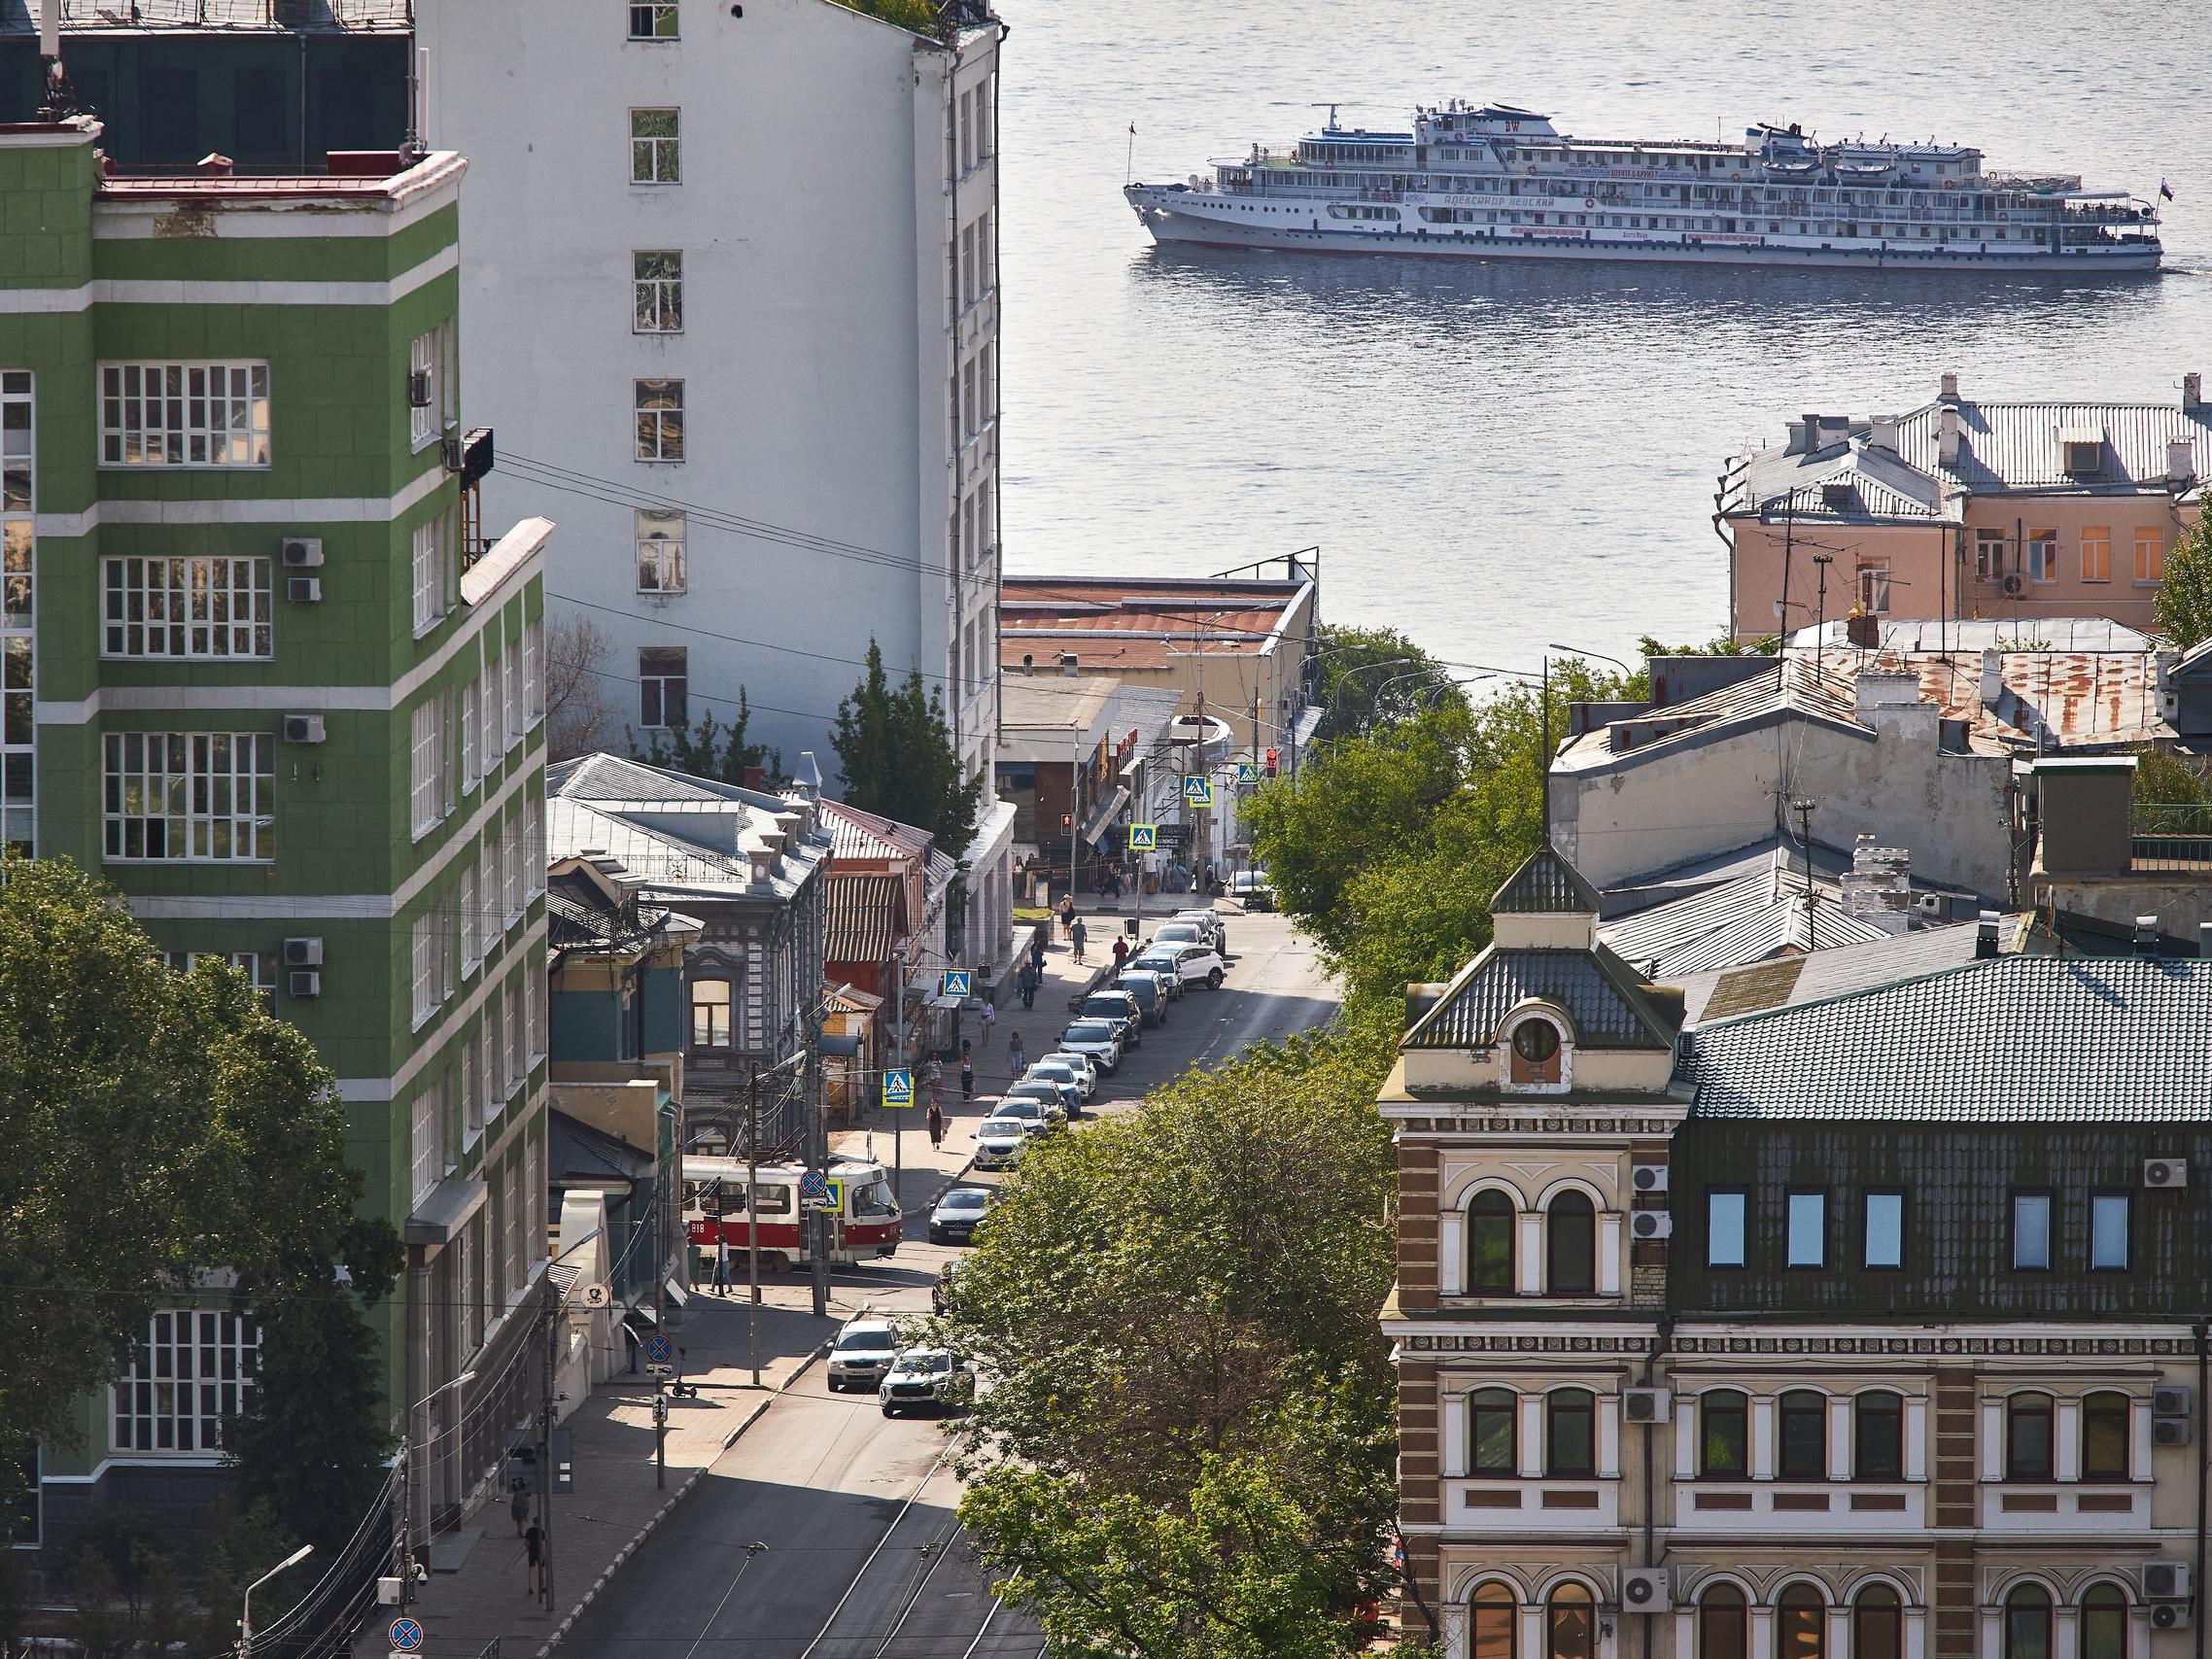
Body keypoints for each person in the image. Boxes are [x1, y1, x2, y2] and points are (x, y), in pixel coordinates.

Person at [524, 1518, 545, 1597]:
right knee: (541, 1570)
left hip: (532, 1552)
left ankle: (530, 1588)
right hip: (539, 1552)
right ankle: (542, 1587)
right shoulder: (541, 1531)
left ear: (533, 1522)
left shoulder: (529, 1530)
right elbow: (542, 1544)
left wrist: (528, 1548)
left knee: (531, 1570)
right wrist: (543, 1554)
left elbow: (526, 1541)